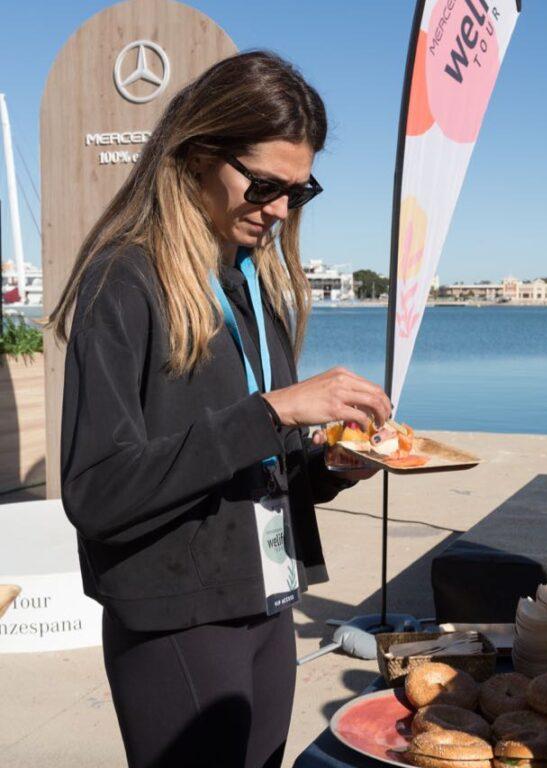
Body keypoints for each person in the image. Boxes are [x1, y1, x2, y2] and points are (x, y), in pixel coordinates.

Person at [49, 51, 390, 768]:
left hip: (265, 594)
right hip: (176, 616)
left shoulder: (248, 282)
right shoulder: (124, 280)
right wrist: (271, 411)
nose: (280, 210)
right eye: (264, 185)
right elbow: (97, 491)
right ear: (199, 155)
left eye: (299, 191)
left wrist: (327, 466)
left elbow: (247, 461)